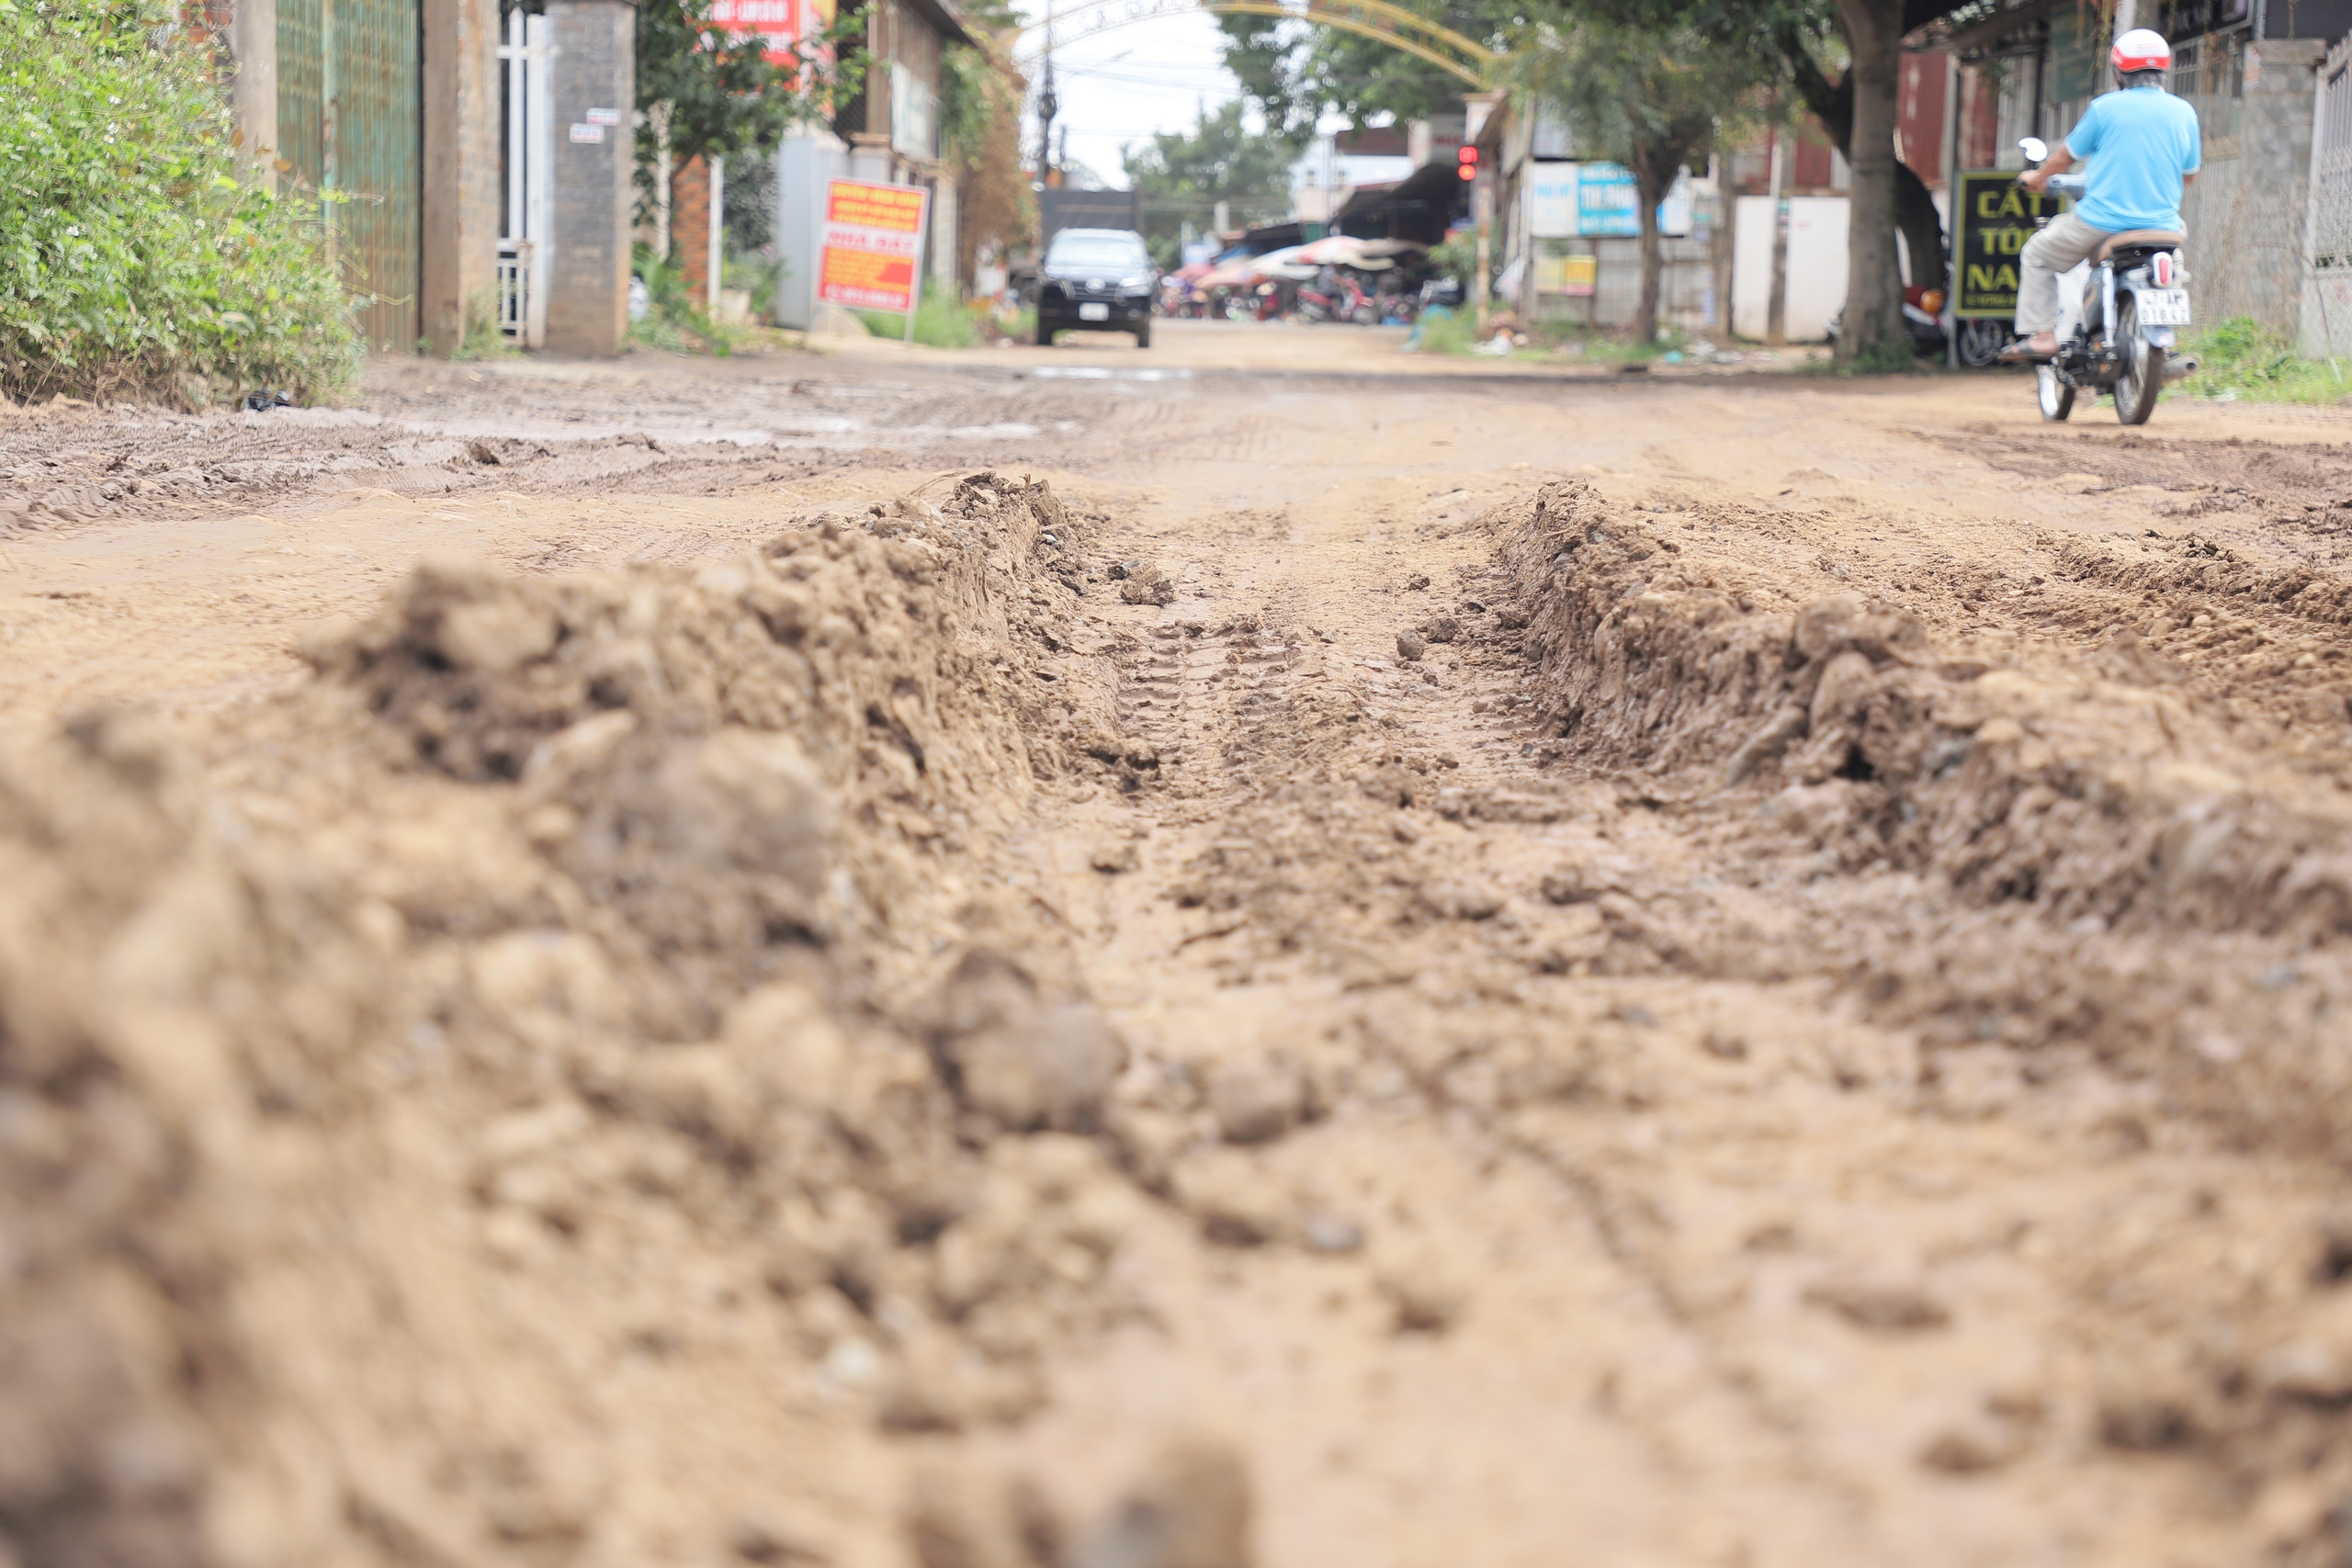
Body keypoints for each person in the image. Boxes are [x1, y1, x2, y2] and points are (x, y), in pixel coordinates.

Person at [2000, 28, 2200, 362]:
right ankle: (2164, 342)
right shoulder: (2184, 112)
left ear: (2119, 71)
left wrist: (2038, 177)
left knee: (2036, 253)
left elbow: (2066, 157)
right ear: (2163, 70)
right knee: (2173, 269)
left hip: (2101, 222)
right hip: (2163, 227)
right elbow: (2190, 176)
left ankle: (2044, 335)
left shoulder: (2104, 108)